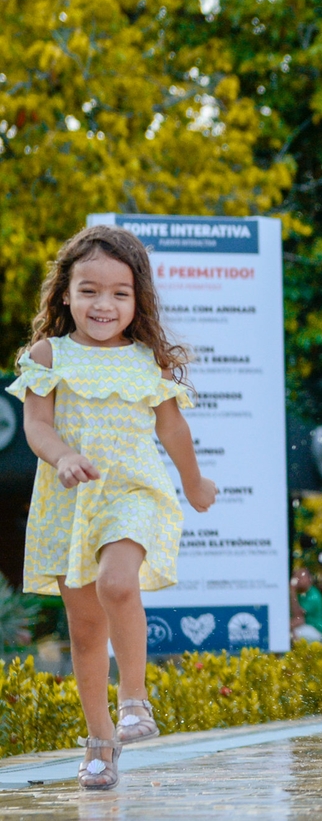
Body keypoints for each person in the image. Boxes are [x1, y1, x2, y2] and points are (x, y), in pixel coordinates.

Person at [6, 226, 217, 789]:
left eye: (119, 293)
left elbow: (173, 430)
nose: (104, 304)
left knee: (119, 584)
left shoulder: (149, 360)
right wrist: (63, 456)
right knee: (84, 628)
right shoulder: (49, 354)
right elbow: (35, 426)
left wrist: (194, 486)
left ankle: (134, 699)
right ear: (65, 295)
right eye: (90, 291)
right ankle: (100, 740)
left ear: (137, 299)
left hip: (134, 491)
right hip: (70, 501)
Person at [290, 567, 322, 642]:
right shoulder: (300, 594)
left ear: (309, 578)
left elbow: (298, 615)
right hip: (300, 626)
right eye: (296, 577)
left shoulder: (314, 595)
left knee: (291, 636)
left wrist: (292, 592)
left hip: (314, 628)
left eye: (300, 577)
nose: (297, 580)